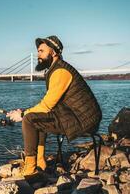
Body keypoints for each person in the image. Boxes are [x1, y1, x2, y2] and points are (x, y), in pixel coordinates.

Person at [6, 35, 102, 179]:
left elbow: (46, 105)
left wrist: (23, 114)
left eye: (41, 51)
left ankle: (30, 168)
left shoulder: (60, 72)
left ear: (53, 52)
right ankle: (40, 162)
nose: (38, 55)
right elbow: (47, 106)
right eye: (38, 51)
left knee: (29, 119)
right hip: (76, 115)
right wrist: (24, 111)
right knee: (35, 117)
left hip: (83, 120)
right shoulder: (55, 69)